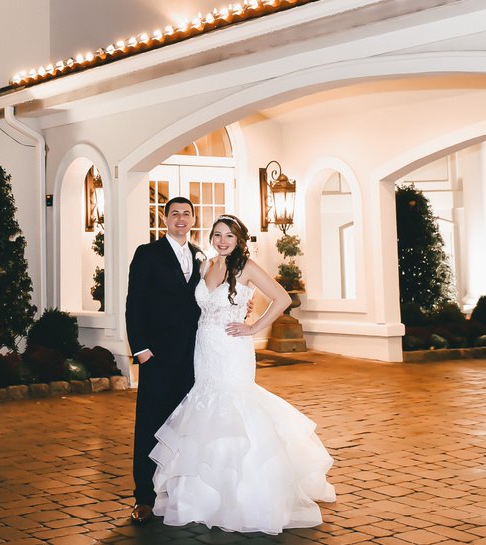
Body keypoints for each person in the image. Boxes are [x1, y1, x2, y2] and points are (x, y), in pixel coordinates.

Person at [150, 213, 335, 534]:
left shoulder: (246, 267)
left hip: (232, 347)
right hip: (203, 348)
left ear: (239, 241)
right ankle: (202, 495)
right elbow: (192, 305)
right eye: (218, 235)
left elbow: (282, 298)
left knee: (234, 406)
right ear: (211, 237)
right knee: (204, 405)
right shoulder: (205, 265)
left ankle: (245, 494)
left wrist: (253, 326)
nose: (222, 241)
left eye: (229, 237)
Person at [124, 196, 204, 525]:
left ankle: (178, 489)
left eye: (186, 214)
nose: (181, 219)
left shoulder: (201, 256)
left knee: (185, 425)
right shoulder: (148, 254)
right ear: (165, 218)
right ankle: (144, 496)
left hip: (194, 356)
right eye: (175, 214)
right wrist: (140, 348)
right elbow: (135, 303)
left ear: (192, 219)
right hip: (156, 355)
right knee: (150, 424)